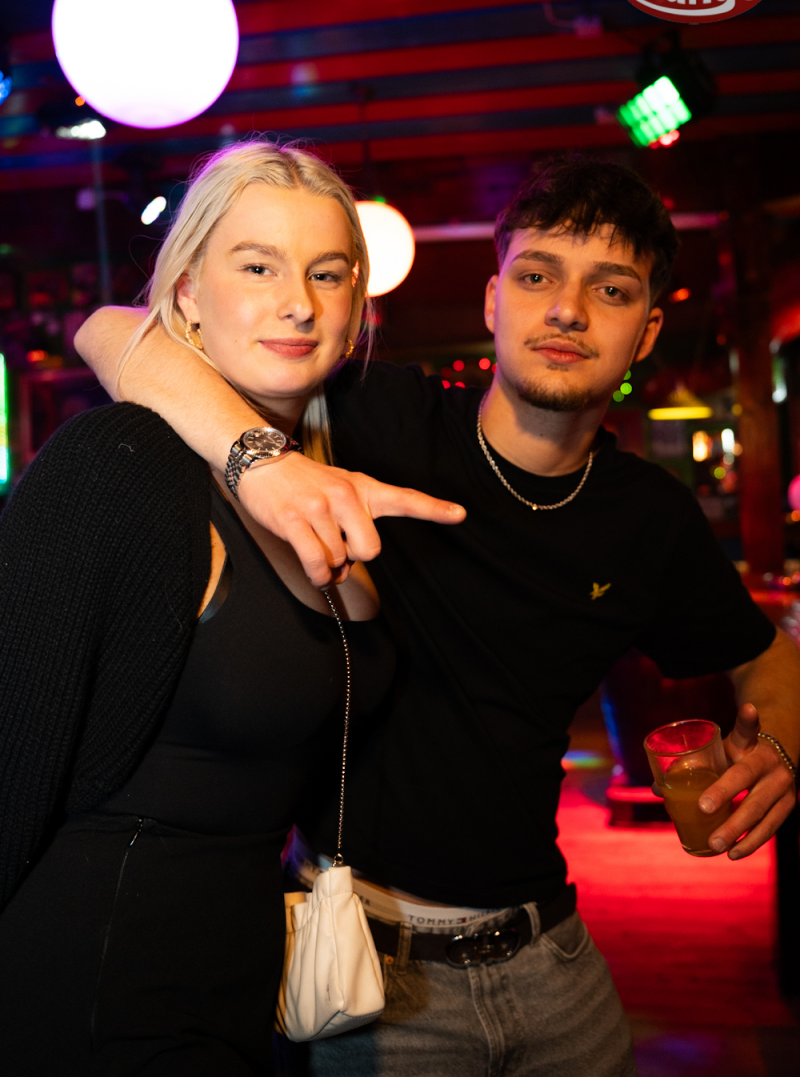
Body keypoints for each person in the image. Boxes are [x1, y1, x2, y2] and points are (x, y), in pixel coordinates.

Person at [77, 154, 800, 1077]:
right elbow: (111, 332)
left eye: (610, 290)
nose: (568, 311)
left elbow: (765, 654)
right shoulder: (368, 415)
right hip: (369, 971)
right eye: (537, 277)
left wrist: (780, 749)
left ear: (648, 328)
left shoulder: (649, 519)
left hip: (556, 962)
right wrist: (266, 464)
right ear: (494, 300)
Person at [0, 140, 462, 1076]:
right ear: (185, 298)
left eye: (327, 273)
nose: (299, 302)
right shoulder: (118, 463)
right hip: (100, 979)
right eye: (257, 268)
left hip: (245, 974)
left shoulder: (340, 483)